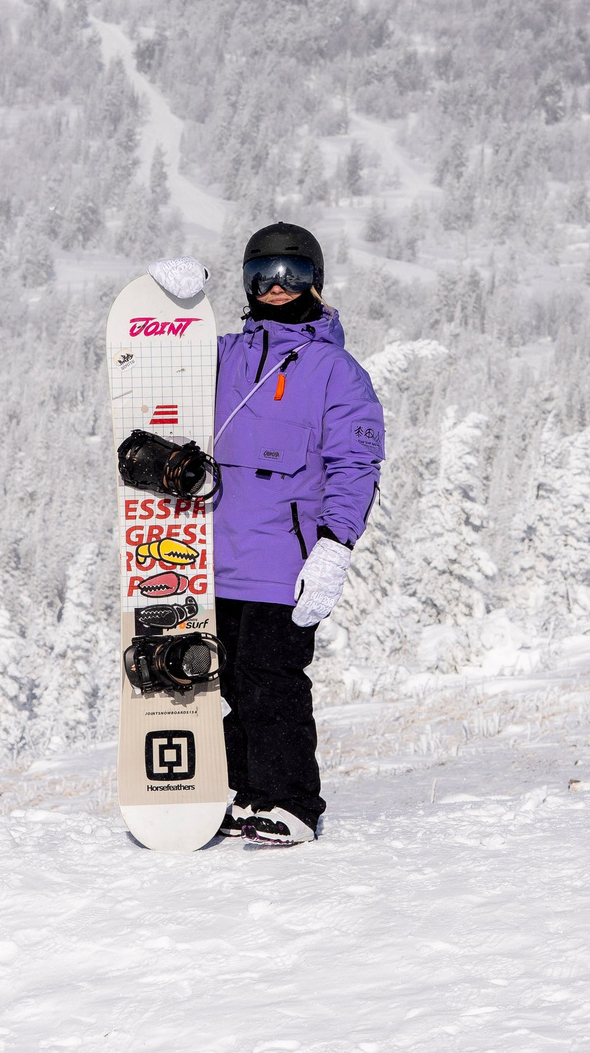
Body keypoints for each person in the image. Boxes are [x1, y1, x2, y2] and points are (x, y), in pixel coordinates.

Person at [206, 221, 384, 846]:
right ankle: (245, 793)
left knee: (271, 680)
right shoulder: (221, 352)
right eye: (264, 276)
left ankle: (291, 803)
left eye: (294, 276)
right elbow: (155, 371)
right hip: (206, 555)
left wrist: (335, 547)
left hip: (284, 557)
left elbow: (355, 464)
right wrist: (167, 300)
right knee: (224, 683)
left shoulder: (335, 370)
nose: (278, 289)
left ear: (317, 282)